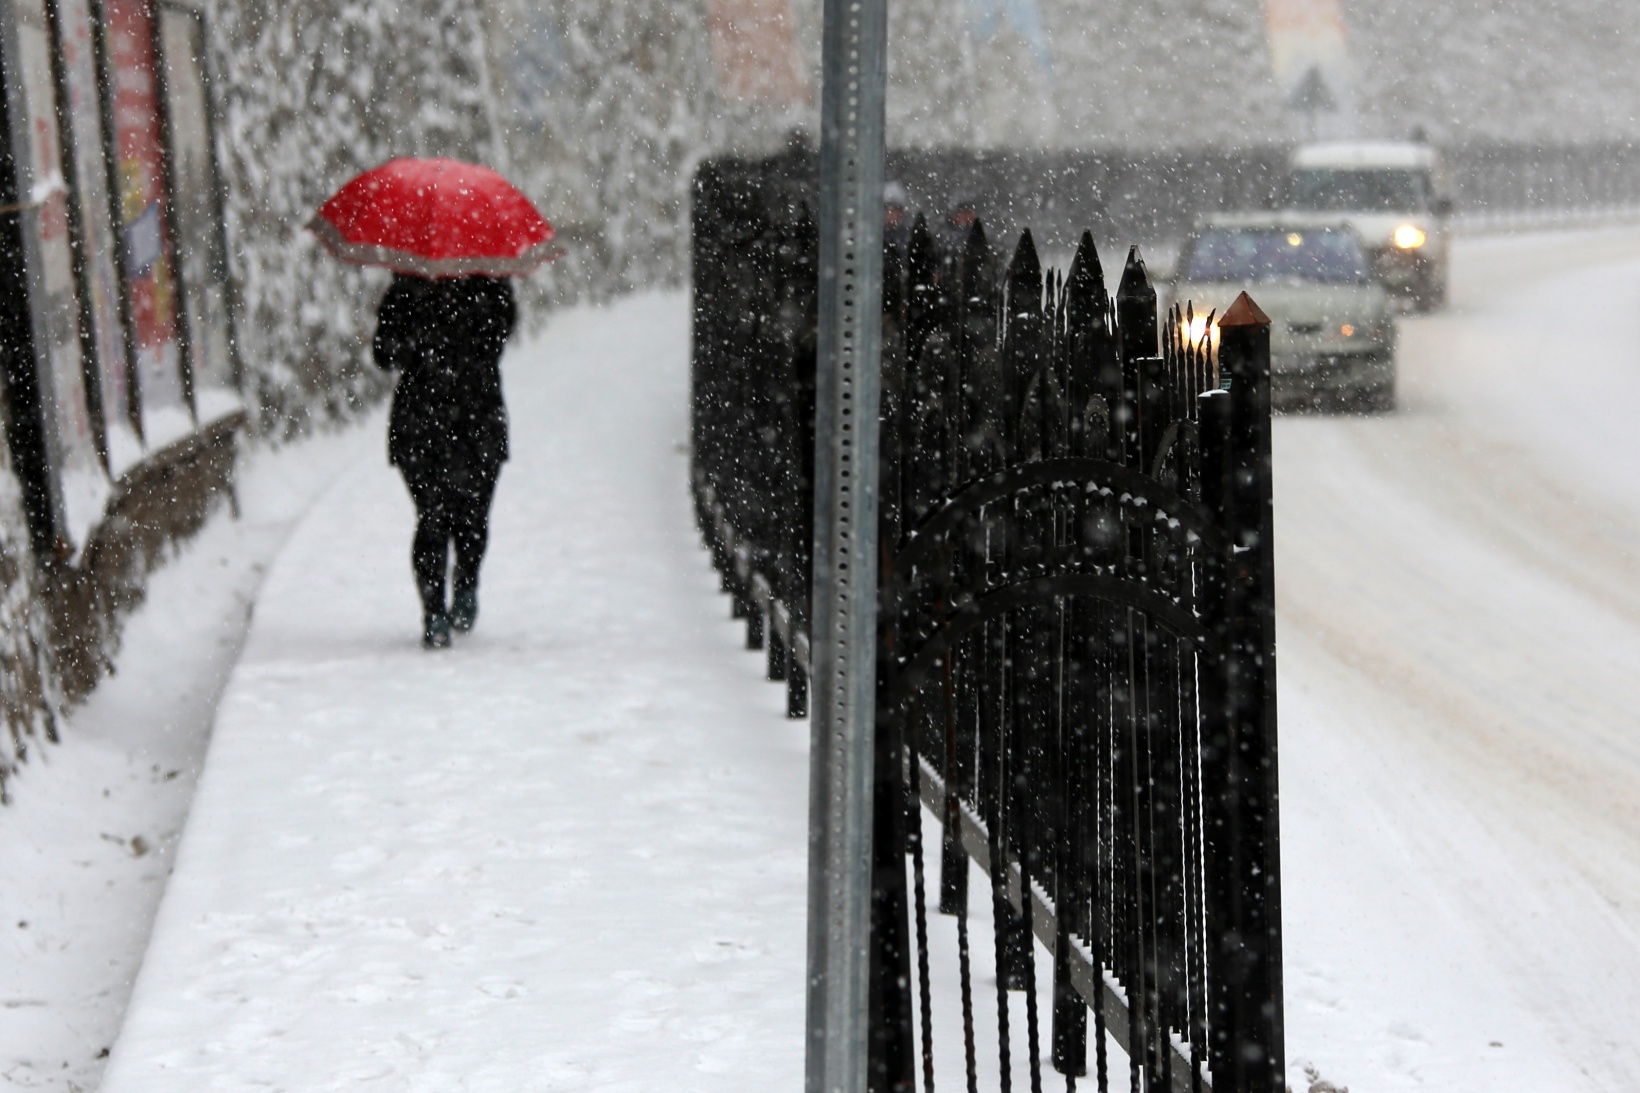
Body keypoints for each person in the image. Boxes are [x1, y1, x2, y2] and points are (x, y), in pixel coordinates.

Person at [373, 273, 516, 648]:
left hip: (461, 419)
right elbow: (384, 353)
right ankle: (438, 608)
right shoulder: (413, 287)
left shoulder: (484, 284)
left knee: (461, 516)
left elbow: (497, 337)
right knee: (441, 517)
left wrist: (428, 339)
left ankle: (459, 589)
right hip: (444, 421)